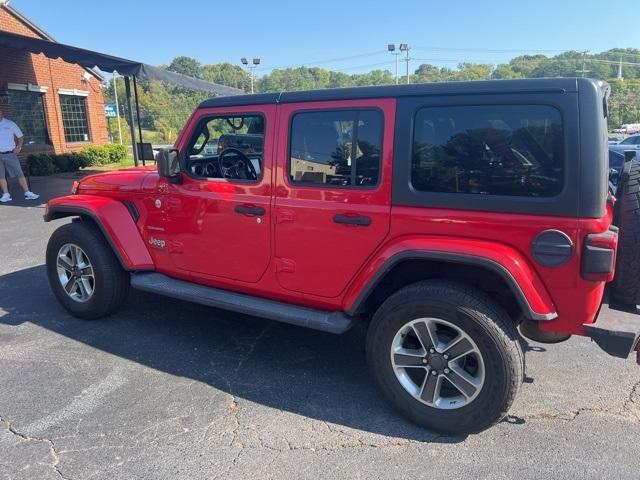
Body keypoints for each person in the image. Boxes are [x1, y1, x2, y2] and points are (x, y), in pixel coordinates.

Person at [0, 110, 39, 202]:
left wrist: (19, 147)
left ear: (1, 113)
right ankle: (6, 194)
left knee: (19, 174)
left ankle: (27, 193)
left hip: (10, 154)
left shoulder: (10, 124)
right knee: (1, 176)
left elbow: (20, 137)